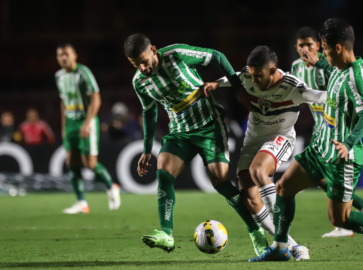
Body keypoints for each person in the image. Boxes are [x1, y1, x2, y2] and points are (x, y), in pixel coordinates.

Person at [249, 18, 363, 262]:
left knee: (340, 219)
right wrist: (319, 63)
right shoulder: (338, 67)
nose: (320, 52)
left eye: (323, 48)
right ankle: (281, 247)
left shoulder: (356, 74)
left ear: (337, 48)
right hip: (320, 148)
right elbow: (332, 70)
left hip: (341, 158)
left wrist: (350, 140)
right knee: (283, 187)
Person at [123, 34, 267, 255]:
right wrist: (146, 149)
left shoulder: (176, 54)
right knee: (164, 172)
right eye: (136, 65)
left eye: (144, 61)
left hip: (210, 125)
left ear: (153, 49)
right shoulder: (139, 82)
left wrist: (238, 89)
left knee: (220, 183)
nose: (142, 68)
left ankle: (255, 231)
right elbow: (149, 112)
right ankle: (167, 235)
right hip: (180, 131)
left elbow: (217, 57)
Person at [213, 46, 330, 261]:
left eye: (259, 76)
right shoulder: (248, 76)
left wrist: (349, 95)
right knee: (249, 197)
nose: (254, 81)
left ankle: (279, 238)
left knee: (259, 170)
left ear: (273, 69)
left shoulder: (292, 86)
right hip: (253, 140)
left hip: (280, 137)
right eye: (252, 75)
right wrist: (215, 83)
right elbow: (235, 77)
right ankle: (292, 246)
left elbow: (321, 97)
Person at [292, 26, 363, 238]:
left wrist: (354, 133)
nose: (305, 49)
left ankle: (355, 219)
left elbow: (358, 100)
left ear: (320, 46)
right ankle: (360, 205)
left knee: (329, 190)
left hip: (337, 134)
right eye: (300, 45)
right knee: (305, 180)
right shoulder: (300, 67)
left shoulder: (345, 68)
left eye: (310, 45)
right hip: (321, 130)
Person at [55, 43, 120, 214]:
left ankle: (111, 186)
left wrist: (87, 122)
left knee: (90, 164)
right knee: (71, 162)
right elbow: (63, 102)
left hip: (86, 121)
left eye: (66, 54)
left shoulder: (83, 73)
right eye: (60, 55)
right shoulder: (59, 76)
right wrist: (63, 126)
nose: (63, 58)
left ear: (74, 55)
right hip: (70, 123)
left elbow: (96, 99)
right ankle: (81, 202)